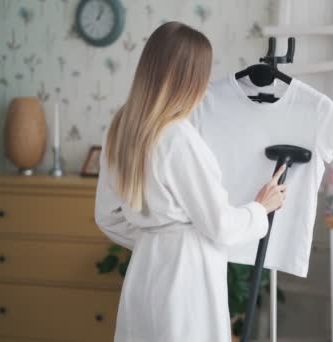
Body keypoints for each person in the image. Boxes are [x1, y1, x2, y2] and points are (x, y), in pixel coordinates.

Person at [94, 22, 286, 342]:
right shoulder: (177, 138)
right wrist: (259, 207)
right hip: (185, 276)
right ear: (191, 79)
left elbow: (107, 217)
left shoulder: (120, 129)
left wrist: (153, 236)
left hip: (144, 270)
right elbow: (221, 225)